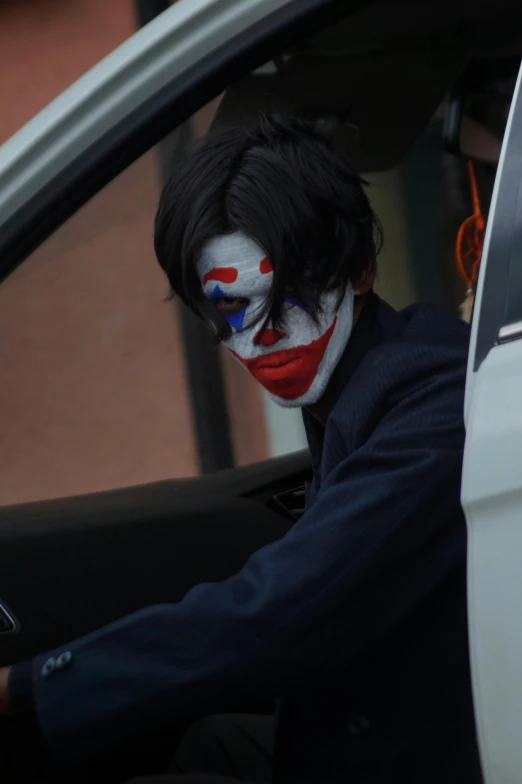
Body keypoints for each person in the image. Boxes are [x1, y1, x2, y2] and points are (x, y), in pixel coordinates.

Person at [0, 112, 482, 784]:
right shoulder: (357, 384)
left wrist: (23, 693)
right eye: (230, 311)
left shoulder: (433, 405)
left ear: (363, 269)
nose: (261, 338)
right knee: (214, 742)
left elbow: (282, 610)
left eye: (288, 298)